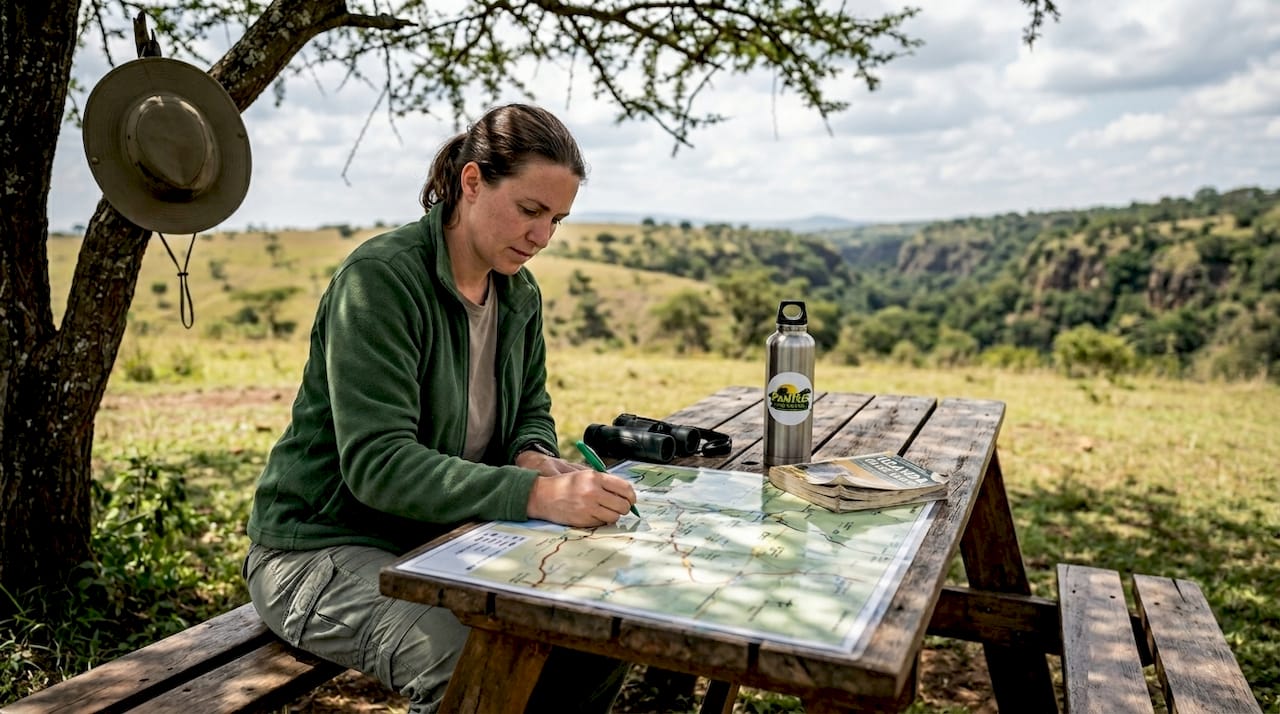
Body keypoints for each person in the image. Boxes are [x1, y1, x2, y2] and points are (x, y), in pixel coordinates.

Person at [243, 103, 637, 713]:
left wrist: (533, 456)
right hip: (317, 549)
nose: (542, 237)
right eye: (530, 210)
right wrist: (535, 495)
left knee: (595, 638)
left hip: (438, 539)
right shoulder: (380, 280)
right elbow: (379, 465)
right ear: (471, 182)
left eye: (556, 219)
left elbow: (531, 409)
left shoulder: (519, 293)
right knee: (468, 664)